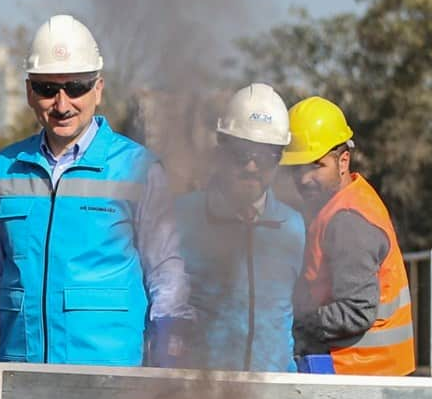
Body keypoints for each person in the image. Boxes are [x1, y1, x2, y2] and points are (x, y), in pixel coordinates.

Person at [0, 14, 193, 399]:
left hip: (112, 386)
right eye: (48, 89)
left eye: (76, 87)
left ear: (99, 88)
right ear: (29, 92)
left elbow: (166, 272)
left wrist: (169, 365)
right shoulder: (5, 168)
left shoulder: (137, 168)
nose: (62, 104)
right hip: (24, 380)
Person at [174, 83, 306, 372]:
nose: (251, 167)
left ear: (280, 158)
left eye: (265, 157)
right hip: (199, 394)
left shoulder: (294, 227)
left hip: (273, 398)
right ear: (221, 149)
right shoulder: (182, 217)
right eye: (241, 154)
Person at [281, 95, 415, 376]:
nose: (304, 178)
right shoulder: (342, 203)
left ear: (343, 161)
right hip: (366, 375)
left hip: (362, 376)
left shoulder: (347, 220)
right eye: (297, 168)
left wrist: (293, 322)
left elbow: (356, 311)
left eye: (316, 165)